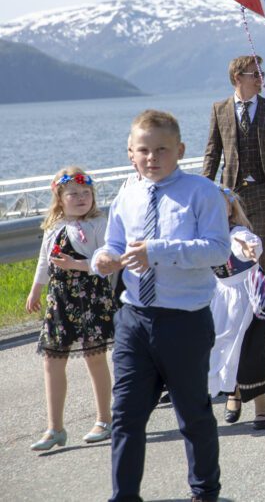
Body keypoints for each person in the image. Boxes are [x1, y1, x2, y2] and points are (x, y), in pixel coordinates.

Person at [93, 110, 230, 502]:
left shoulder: (201, 192)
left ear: (180, 150)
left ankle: (205, 491)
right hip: (134, 318)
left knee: (193, 414)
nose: (152, 158)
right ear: (130, 153)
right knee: (126, 416)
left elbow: (218, 249)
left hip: (183, 320)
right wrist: (103, 257)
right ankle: (124, 495)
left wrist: (159, 252)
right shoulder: (127, 193)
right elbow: (115, 244)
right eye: (143, 150)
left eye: (161, 150)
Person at [26, 168, 114, 451]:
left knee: (95, 358)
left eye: (86, 193)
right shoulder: (54, 224)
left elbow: (106, 262)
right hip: (60, 300)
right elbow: (44, 260)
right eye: (73, 194)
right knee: (51, 362)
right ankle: (55, 428)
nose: (81, 198)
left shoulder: (98, 222)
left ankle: (104, 419)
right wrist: (36, 289)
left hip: (91, 298)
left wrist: (76, 265)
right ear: (59, 198)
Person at [202, 54, 265, 279]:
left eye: (262, 74)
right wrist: (203, 188)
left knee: (261, 250)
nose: (261, 78)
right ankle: (246, 307)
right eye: (256, 74)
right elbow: (212, 152)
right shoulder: (219, 109)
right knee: (236, 251)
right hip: (232, 195)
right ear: (238, 77)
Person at [207, 189, 265, 429]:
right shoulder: (202, 236)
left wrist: (250, 249)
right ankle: (233, 394)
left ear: (230, 209)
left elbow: (248, 243)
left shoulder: (237, 232)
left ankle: (261, 406)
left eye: (220, 205)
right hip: (221, 297)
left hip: (250, 296)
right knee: (223, 348)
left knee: (250, 353)